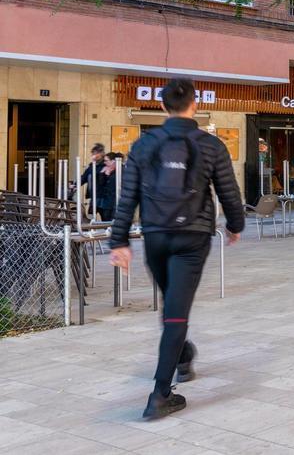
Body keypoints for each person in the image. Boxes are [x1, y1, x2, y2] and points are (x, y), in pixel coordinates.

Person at [108, 78, 244, 420]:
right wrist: (235, 225)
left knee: (172, 307)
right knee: (176, 313)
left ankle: (183, 356)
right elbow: (229, 191)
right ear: (194, 104)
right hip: (192, 238)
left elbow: (129, 197)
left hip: (155, 235)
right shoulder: (211, 145)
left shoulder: (143, 145)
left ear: (163, 106)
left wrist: (119, 241)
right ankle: (160, 394)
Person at [78, 142, 106, 217]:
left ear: (101, 154)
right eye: (93, 153)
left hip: (104, 197)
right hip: (94, 197)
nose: (94, 156)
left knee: (105, 218)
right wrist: (75, 184)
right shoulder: (91, 167)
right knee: (90, 217)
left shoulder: (105, 165)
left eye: (96, 153)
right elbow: (84, 177)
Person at [96, 152, 123, 221]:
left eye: (106, 161)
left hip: (117, 201)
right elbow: (101, 184)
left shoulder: (121, 170)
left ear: (113, 161)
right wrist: (103, 174)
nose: (105, 163)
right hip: (107, 202)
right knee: (106, 219)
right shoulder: (107, 170)